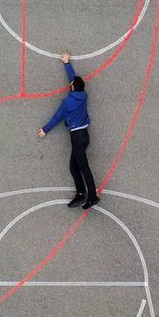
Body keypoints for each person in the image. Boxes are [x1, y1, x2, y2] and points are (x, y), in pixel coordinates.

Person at [37, 51, 100, 209]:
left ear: (72, 87)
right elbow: (74, 79)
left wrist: (45, 129)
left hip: (77, 138)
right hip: (84, 136)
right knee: (74, 166)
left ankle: (91, 195)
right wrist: (67, 63)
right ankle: (80, 194)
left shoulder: (68, 103)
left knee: (83, 167)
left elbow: (57, 117)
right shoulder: (82, 95)